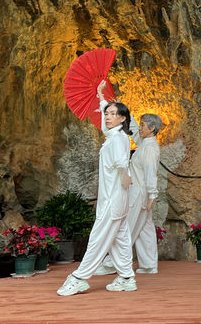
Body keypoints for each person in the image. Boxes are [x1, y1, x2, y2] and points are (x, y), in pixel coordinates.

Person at [57, 80, 136, 296]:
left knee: (98, 238)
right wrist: (101, 97)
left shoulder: (118, 139)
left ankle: (79, 277)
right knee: (120, 239)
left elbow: (121, 162)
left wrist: (126, 177)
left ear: (122, 118)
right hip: (114, 199)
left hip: (113, 200)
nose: (108, 117)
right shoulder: (113, 136)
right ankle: (127, 277)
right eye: (107, 113)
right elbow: (104, 125)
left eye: (112, 114)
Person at [96, 113, 162, 275]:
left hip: (139, 194)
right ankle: (149, 265)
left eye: (143, 125)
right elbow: (133, 130)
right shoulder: (145, 144)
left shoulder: (150, 148)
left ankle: (112, 264)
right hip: (141, 193)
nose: (139, 128)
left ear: (152, 128)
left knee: (126, 228)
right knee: (145, 229)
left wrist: (152, 195)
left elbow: (150, 173)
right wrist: (125, 114)